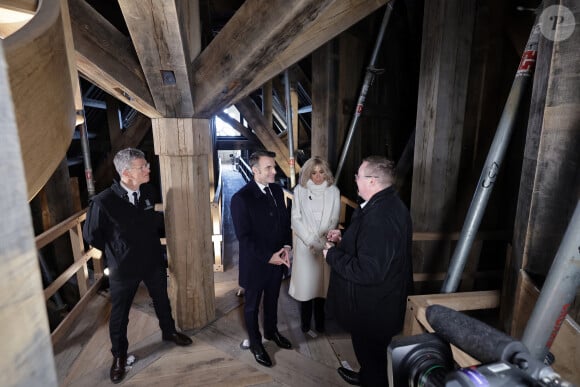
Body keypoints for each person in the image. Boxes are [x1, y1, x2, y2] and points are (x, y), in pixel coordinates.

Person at [83, 148, 192, 384]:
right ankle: (120, 356)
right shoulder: (102, 202)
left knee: (162, 299)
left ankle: (169, 331)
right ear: (125, 173)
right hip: (124, 268)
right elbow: (92, 235)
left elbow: (150, 222)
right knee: (120, 315)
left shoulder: (148, 192)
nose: (148, 169)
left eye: (146, 165)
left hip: (152, 260)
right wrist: (118, 250)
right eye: (142, 167)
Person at [323, 156, 413, 387]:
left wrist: (332, 255)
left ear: (372, 181)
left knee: (372, 358)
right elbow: (373, 248)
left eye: (359, 176)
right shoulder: (385, 204)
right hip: (378, 305)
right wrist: (345, 238)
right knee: (370, 358)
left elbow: (369, 271)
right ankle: (366, 376)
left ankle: (371, 379)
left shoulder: (380, 217)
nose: (355, 179)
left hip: (373, 310)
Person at [230, 150, 293, 368]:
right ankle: (256, 343)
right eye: (269, 168)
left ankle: (272, 331)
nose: (274, 171)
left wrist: (286, 247)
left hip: (279, 260)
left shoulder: (276, 190)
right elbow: (244, 237)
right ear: (255, 170)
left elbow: (284, 222)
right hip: (256, 264)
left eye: (274, 167)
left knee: (273, 300)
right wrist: (269, 257)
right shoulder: (241, 198)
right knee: (251, 306)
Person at [289, 157, 340, 333]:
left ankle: (320, 323)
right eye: (313, 172)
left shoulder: (334, 191)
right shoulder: (299, 191)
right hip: (305, 246)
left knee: (321, 286)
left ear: (326, 172)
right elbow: (295, 219)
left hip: (325, 247)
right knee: (306, 286)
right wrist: (311, 240)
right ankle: (304, 323)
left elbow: (334, 219)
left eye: (321, 172)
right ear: (308, 173)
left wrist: (322, 242)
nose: (318, 176)